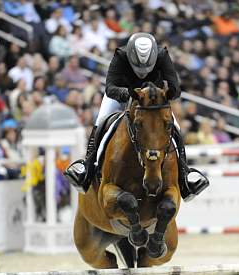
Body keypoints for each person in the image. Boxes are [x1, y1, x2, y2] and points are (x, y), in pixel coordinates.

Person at [65, 32, 208, 201]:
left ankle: (184, 176)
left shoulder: (162, 55)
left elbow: (175, 88)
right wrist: (127, 94)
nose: (142, 72)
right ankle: (87, 168)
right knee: (101, 120)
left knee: (174, 126)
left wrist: (165, 93)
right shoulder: (120, 55)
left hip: (152, 102)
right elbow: (110, 87)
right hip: (122, 95)